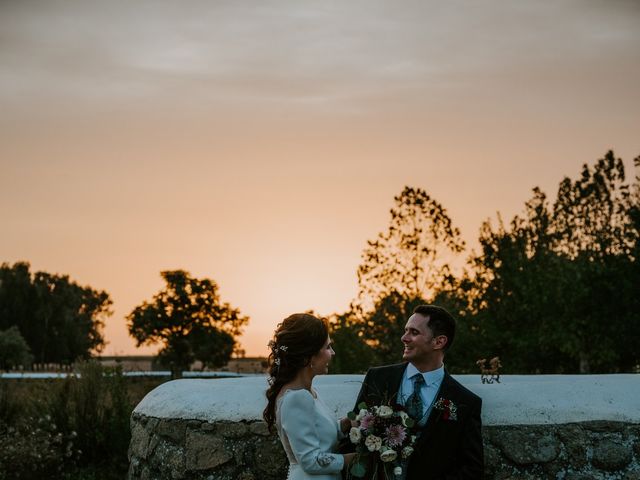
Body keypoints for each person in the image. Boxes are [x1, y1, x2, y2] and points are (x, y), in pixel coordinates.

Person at [352, 305, 483, 479]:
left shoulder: (464, 401)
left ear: (439, 342)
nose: (404, 338)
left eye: (414, 332)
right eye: (406, 330)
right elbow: (353, 434)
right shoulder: (378, 378)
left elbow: (472, 469)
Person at [263, 313, 355, 480]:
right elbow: (310, 460)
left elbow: (320, 434)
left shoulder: (309, 393)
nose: (332, 353)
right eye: (327, 347)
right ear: (309, 357)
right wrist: (353, 459)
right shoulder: (296, 398)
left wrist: (346, 424)